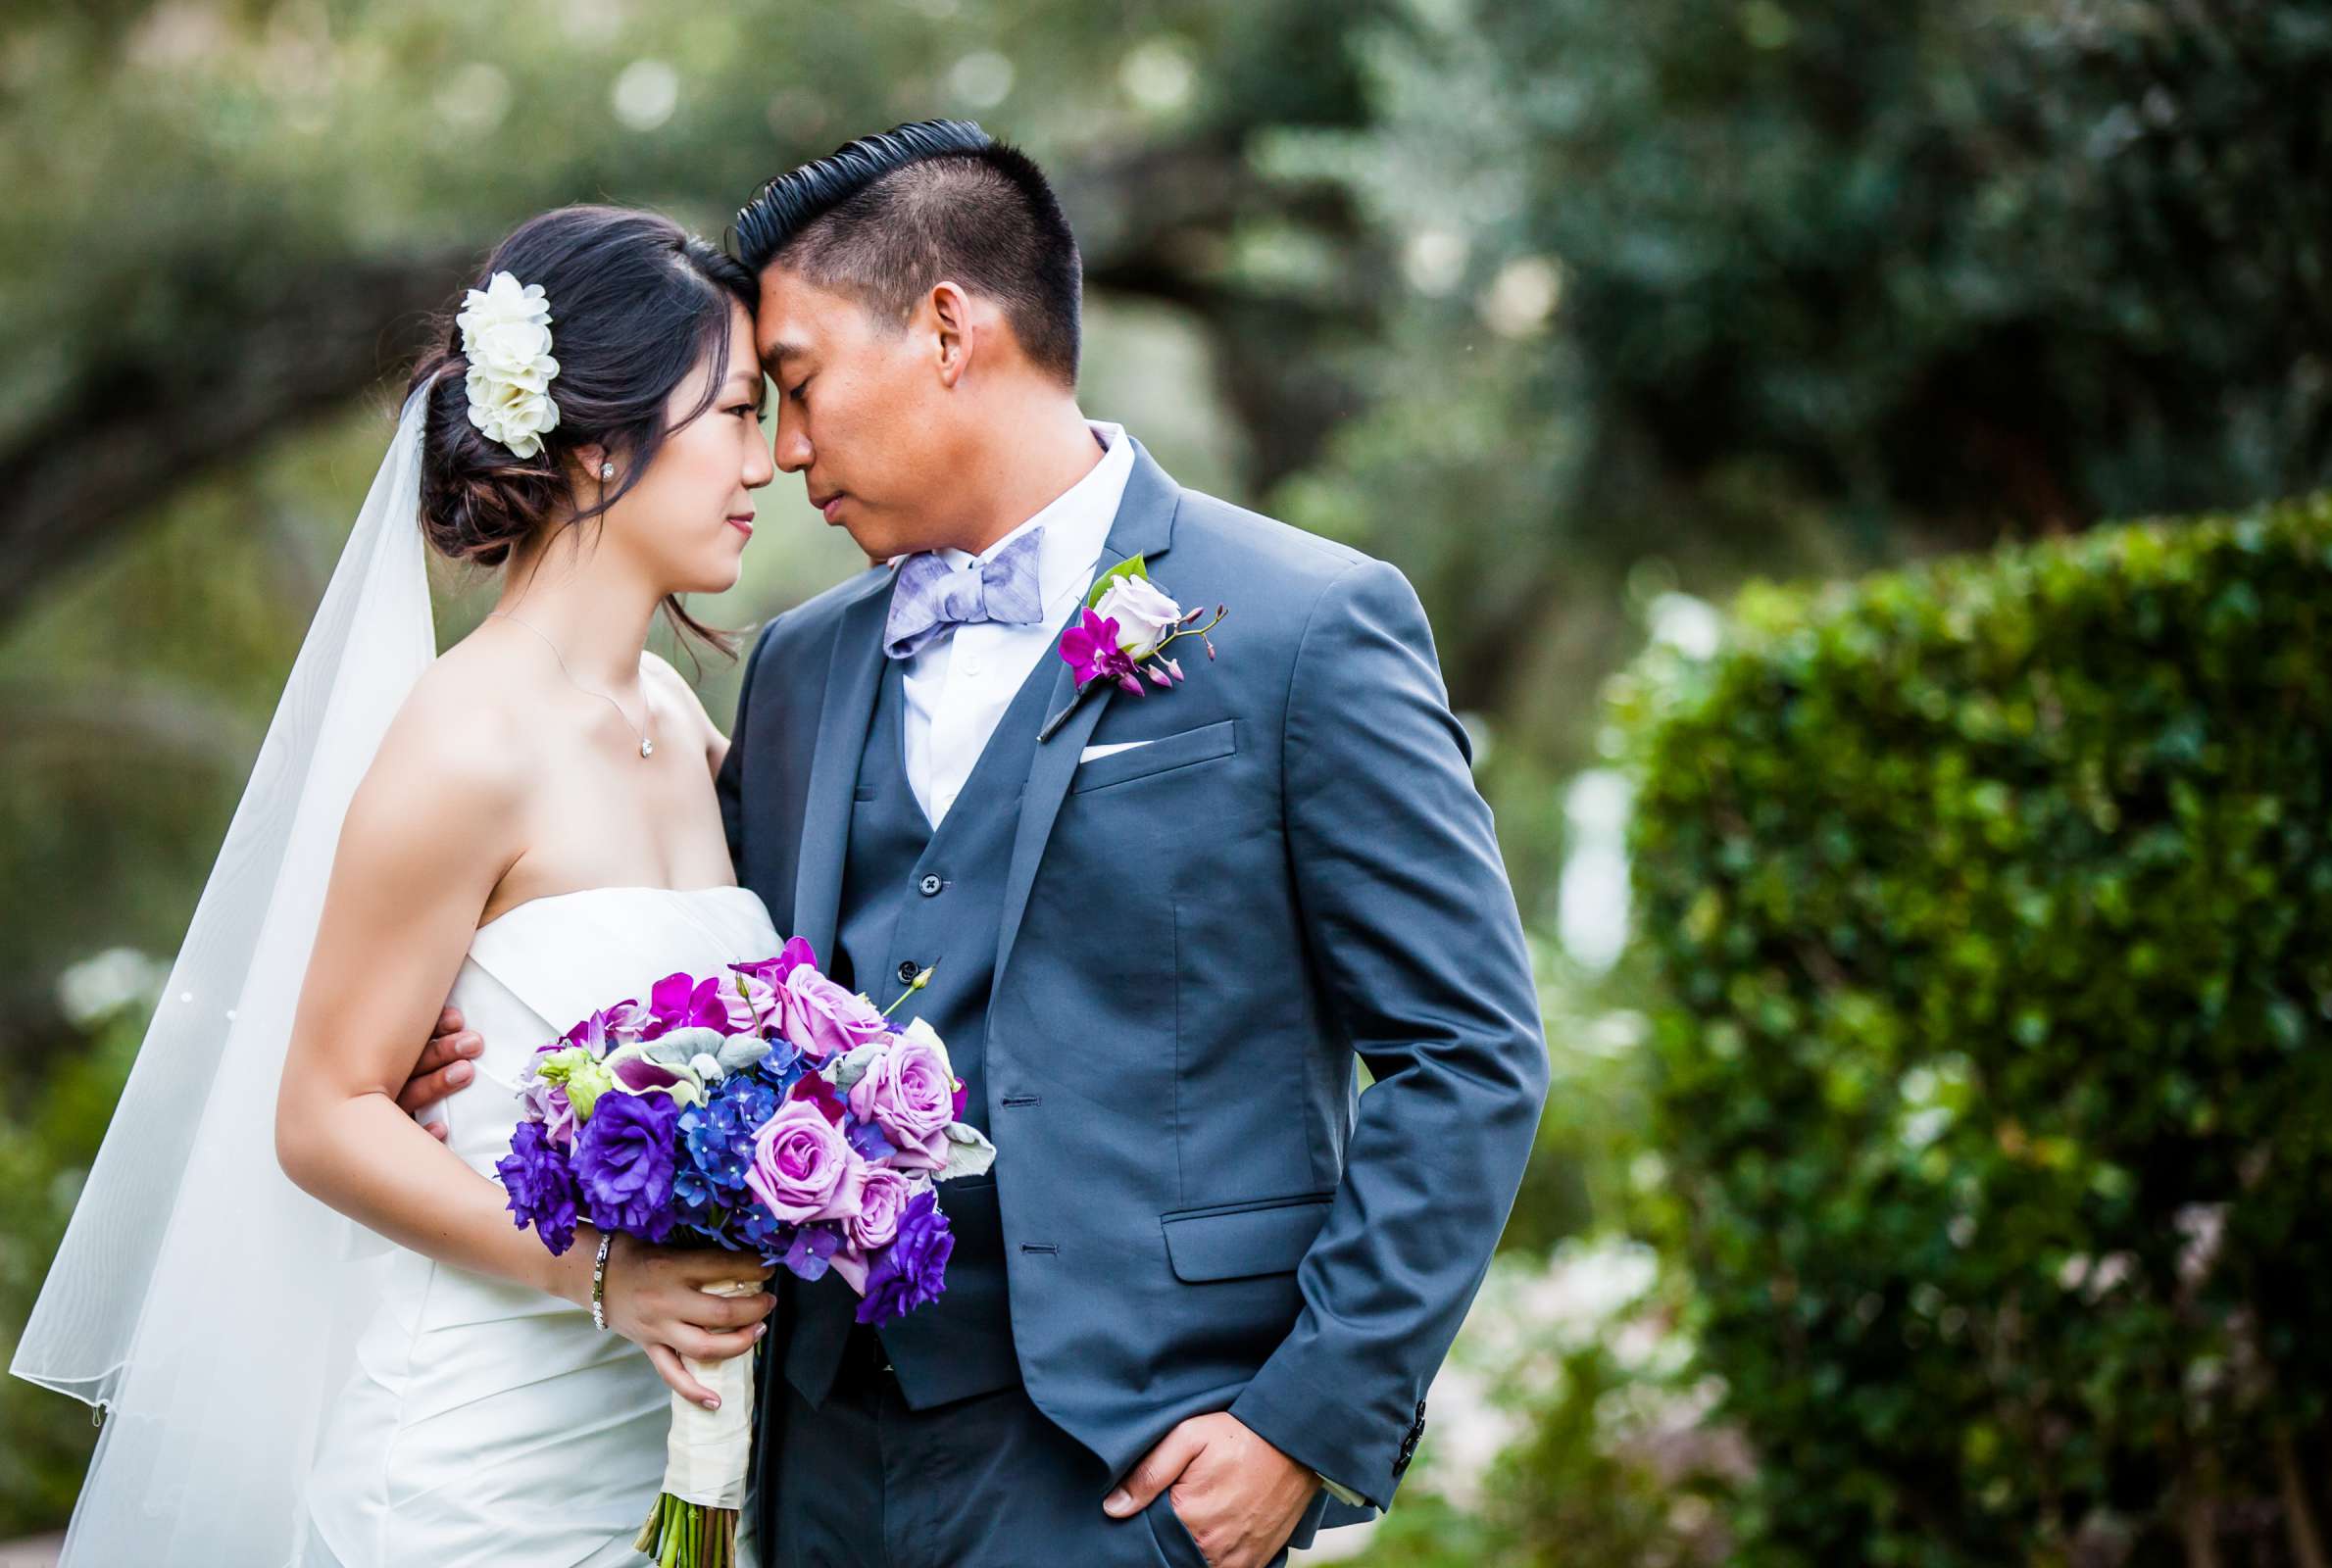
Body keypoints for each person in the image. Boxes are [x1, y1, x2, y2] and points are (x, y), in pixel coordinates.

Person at [420, 120, 1553, 1568]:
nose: (785, 449)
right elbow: (672, 952)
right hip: (812, 1456)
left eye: (802, 383)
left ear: (949, 328)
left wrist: (1302, 1424)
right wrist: (450, 1058)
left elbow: (1469, 1050)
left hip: (1132, 1472)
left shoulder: (1304, 627)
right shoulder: (795, 671)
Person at [14, 204, 784, 1567]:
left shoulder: (676, 711)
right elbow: (318, 1115)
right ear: (601, 439)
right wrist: (604, 1276)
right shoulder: (465, 739)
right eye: (733, 413)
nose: (769, 460)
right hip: (482, 1466)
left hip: (661, 1446)